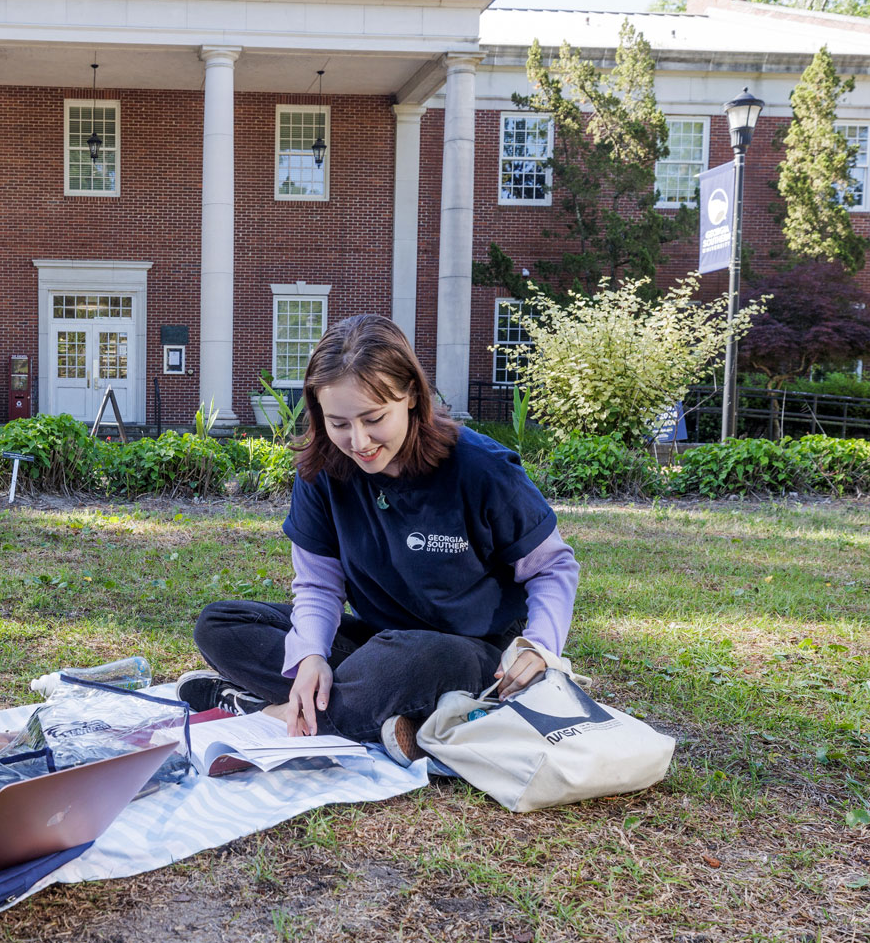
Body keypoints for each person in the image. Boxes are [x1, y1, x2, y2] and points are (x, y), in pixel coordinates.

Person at [180, 314, 579, 765]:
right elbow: (319, 586)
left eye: (373, 419)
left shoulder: (483, 469)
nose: (359, 441)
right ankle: (380, 710)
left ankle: (269, 711)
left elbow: (552, 567)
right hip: (376, 640)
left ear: (410, 395)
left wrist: (540, 647)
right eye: (339, 423)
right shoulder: (321, 473)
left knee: (408, 660)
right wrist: (311, 655)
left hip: (470, 649)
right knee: (222, 623)